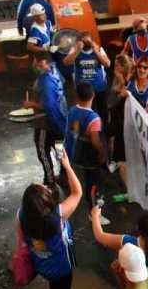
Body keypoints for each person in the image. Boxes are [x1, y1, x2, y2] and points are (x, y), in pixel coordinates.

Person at [18, 150, 83, 289]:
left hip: (42, 264)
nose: (46, 186)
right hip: (62, 267)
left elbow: (20, 238)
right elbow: (77, 192)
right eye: (44, 189)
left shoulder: (22, 215)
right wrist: (67, 166)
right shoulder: (58, 216)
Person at [22, 52, 67, 185]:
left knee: (43, 150)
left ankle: (49, 179)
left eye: (37, 62)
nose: (35, 65)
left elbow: (47, 105)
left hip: (46, 123)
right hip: (61, 119)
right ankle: (65, 175)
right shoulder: (55, 70)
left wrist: (31, 104)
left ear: (44, 63)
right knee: (60, 149)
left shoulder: (45, 81)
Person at [63, 82, 106, 192]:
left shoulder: (72, 110)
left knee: (80, 178)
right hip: (89, 157)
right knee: (92, 183)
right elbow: (95, 141)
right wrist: (102, 152)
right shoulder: (94, 118)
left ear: (77, 96)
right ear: (93, 96)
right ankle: (92, 198)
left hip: (74, 153)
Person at [64, 31, 110, 122]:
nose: (86, 44)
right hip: (83, 88)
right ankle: (88, 127)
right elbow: (66, 62)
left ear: (92, 41)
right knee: (86, 110)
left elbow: (107, 64)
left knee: (102, 109)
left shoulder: (99, 49)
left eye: (88, 42)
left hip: (99, 86)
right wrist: (77, 50)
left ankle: (104, 127)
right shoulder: (75, 49)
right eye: (83, 42)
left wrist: (96, 51)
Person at [107, 53, 133, 189]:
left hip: (125, 122)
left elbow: (120, 98)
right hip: (117, 119)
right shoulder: (116, 79)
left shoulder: (129, 81)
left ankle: (129, 188)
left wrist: (121, 81)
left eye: (117, 65)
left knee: (123, 157)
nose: (114, 67)